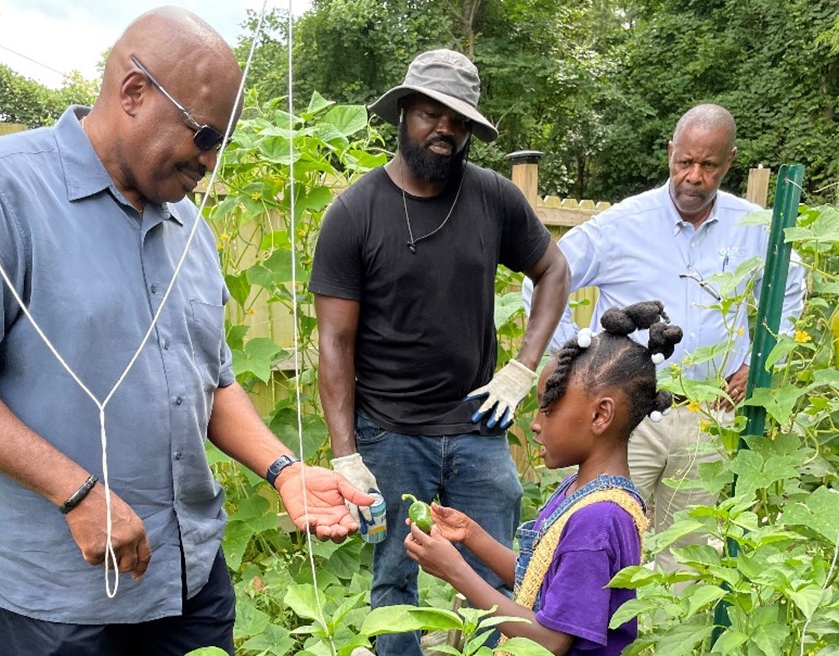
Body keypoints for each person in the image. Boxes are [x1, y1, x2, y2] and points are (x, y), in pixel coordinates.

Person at [0, 7, 373, 655]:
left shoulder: (189, 232)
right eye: (204, 134)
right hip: (62, 598)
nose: (211, 158)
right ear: (134, 92)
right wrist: (77, 493)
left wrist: (283, 471)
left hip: (189, 577)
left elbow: (213, 381)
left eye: (221, 140)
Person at [309, 49, 570, 655]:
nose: (445, 130)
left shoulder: (494, 199)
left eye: (459, 121)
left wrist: (521, 367)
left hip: (479, 429)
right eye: (431, 113)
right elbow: (334, 344)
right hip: (390, 434)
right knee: (394, 585)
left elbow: (553, 269)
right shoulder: (355, 212)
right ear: (403, 114)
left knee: (499, 578)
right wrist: (347, 456)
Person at [523, 103, 805, 573]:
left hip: (708, 418)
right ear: (671, 153)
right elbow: (542, 278)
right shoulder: (622, 226)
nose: (693, 176)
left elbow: (789, 285)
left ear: (729, 161)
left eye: (708, 165)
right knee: (596, 542)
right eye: (684, 162)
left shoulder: (752, 226)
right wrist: (572, 353)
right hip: (624, 419)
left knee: (690, 556)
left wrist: (759, 360)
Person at [405, 302, 684, 655]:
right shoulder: (580, 493)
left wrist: (456, 571)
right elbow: (540, 579)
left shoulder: (597, 520)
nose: (535, 422)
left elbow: (552, 641)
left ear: (601, 415)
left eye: (548, 409)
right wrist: (471, 535)